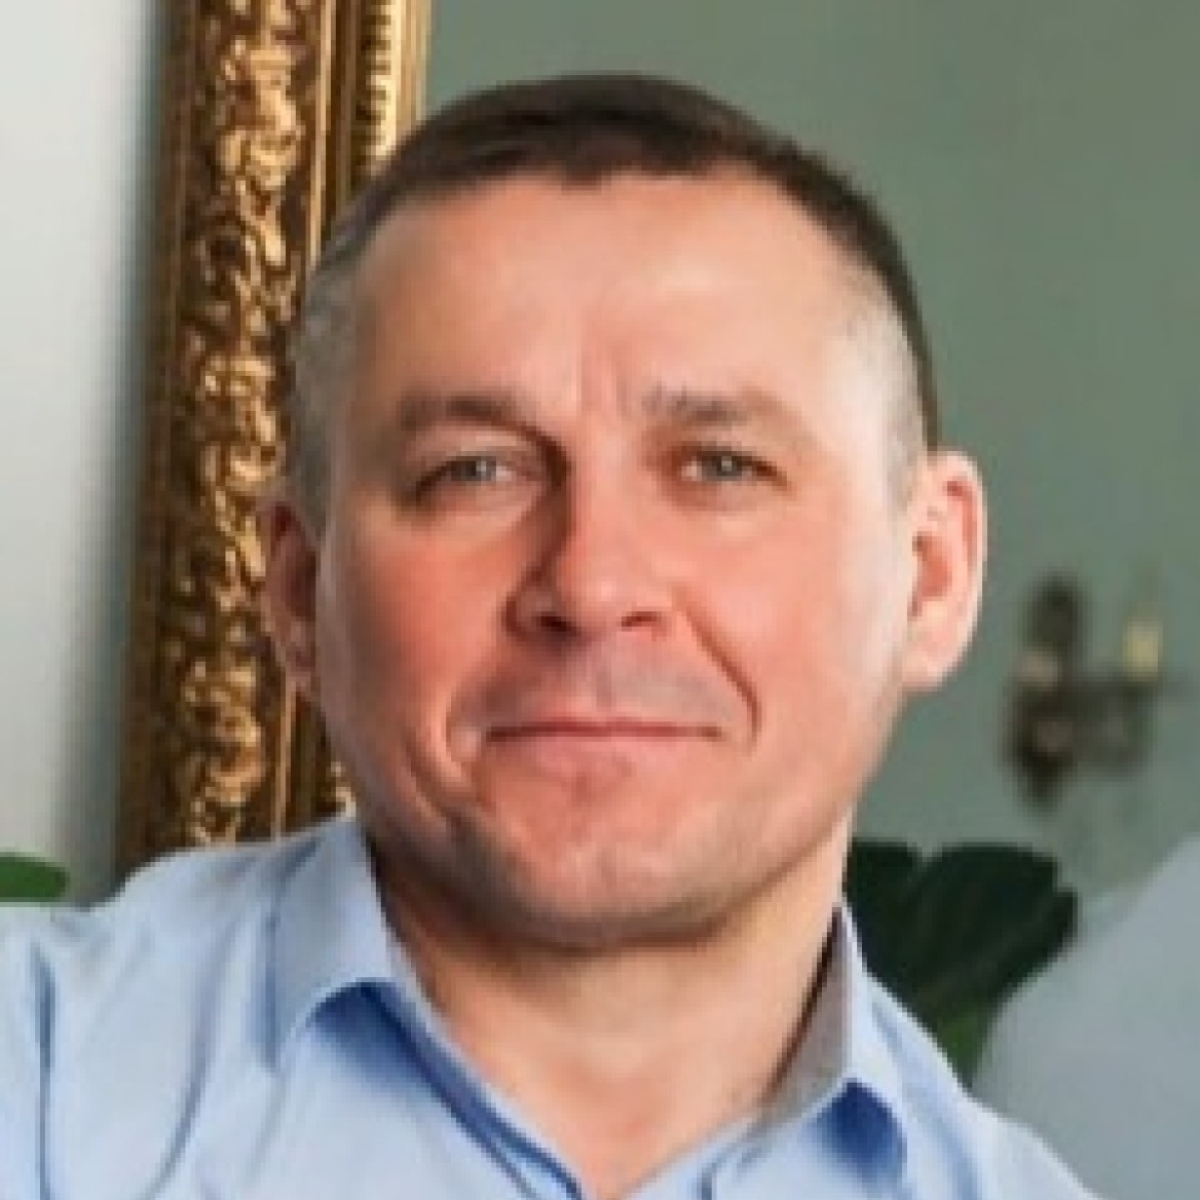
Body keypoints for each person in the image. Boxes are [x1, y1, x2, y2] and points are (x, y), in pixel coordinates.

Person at [0, 73, 1096, 1199]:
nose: (592, 583)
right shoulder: (34, 1078)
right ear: (296, 590)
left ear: (932, 574)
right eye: (475, 472)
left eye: (720, 467)